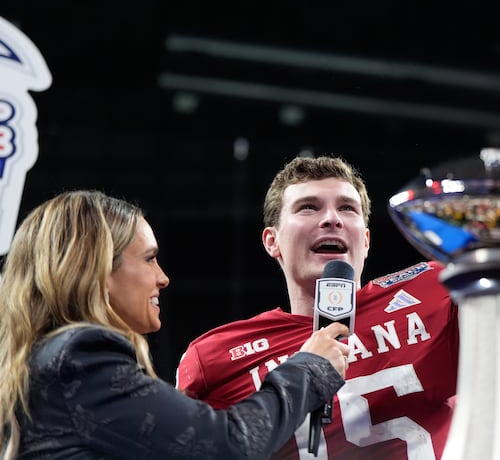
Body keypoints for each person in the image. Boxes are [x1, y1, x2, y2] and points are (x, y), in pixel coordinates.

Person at [0, 189, 351, 460]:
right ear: (97, 270)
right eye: (150, 259)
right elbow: (228, 446)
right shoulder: (81, 357)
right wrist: (310, 368)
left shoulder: (39, 362)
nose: (163, 277)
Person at [176, 155, 459, 459]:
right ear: (272, 241)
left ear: (365, 240)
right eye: (308, 207)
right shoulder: (215, 357)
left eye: (347, 208)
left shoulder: (438, 288)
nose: (331, 219)